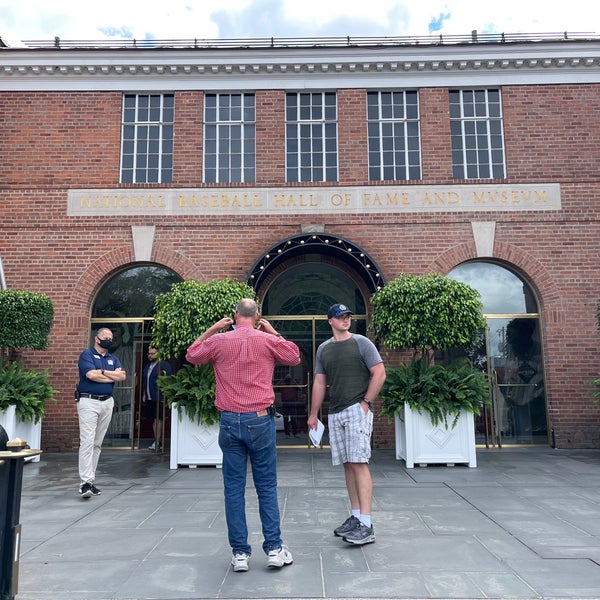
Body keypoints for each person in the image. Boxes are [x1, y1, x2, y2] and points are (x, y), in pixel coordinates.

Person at [186, 298, 300, 573]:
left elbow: (192, 354)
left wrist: (213, 328)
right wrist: (272, 331)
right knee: (266, 486)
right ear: (257, 316)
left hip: (229, 421)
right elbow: (294, 356)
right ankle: (273, 548)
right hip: (259, 419)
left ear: (235, 315)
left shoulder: (220, 341)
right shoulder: (267, 339)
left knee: (233, 489)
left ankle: (240, 553)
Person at [308, 303, 386, 545]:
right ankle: (355, 517)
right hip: (336, 412)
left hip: (356, 409)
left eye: (348, 316)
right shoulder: (324, 349)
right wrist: (314, 414)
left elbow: (380, 373)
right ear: (330, 321)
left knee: (359, 463)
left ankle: (366, 523)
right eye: (340, 317)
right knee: (347, 464)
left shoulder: (362, 343)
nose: (346, 320)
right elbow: (320, 383)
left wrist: (365, 403)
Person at [76, 327, 126, 498]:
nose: (109, 341)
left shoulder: (113, 358)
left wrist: (103, 372)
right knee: (87, 442)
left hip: (107, 402)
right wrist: (111, 375)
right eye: (105, 337)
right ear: (96, 339)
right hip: (89, 402)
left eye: (111, 338)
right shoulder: (87, 355)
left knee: (97, 443)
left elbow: (122, 377)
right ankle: (85, 483)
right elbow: (90, 375)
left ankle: (91, 480)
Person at [142, 347, 173, 451]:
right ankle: (157, 441)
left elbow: (169, 380)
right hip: (150, 396)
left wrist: (166, 394)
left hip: (159, 397)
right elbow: (145, 381)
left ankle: (158, 442)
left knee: (158, 419)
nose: (150, 356)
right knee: (153, 419)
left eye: (152, 354)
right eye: (149, 354)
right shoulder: (148, 366)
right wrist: (144, 394)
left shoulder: (163, 365)